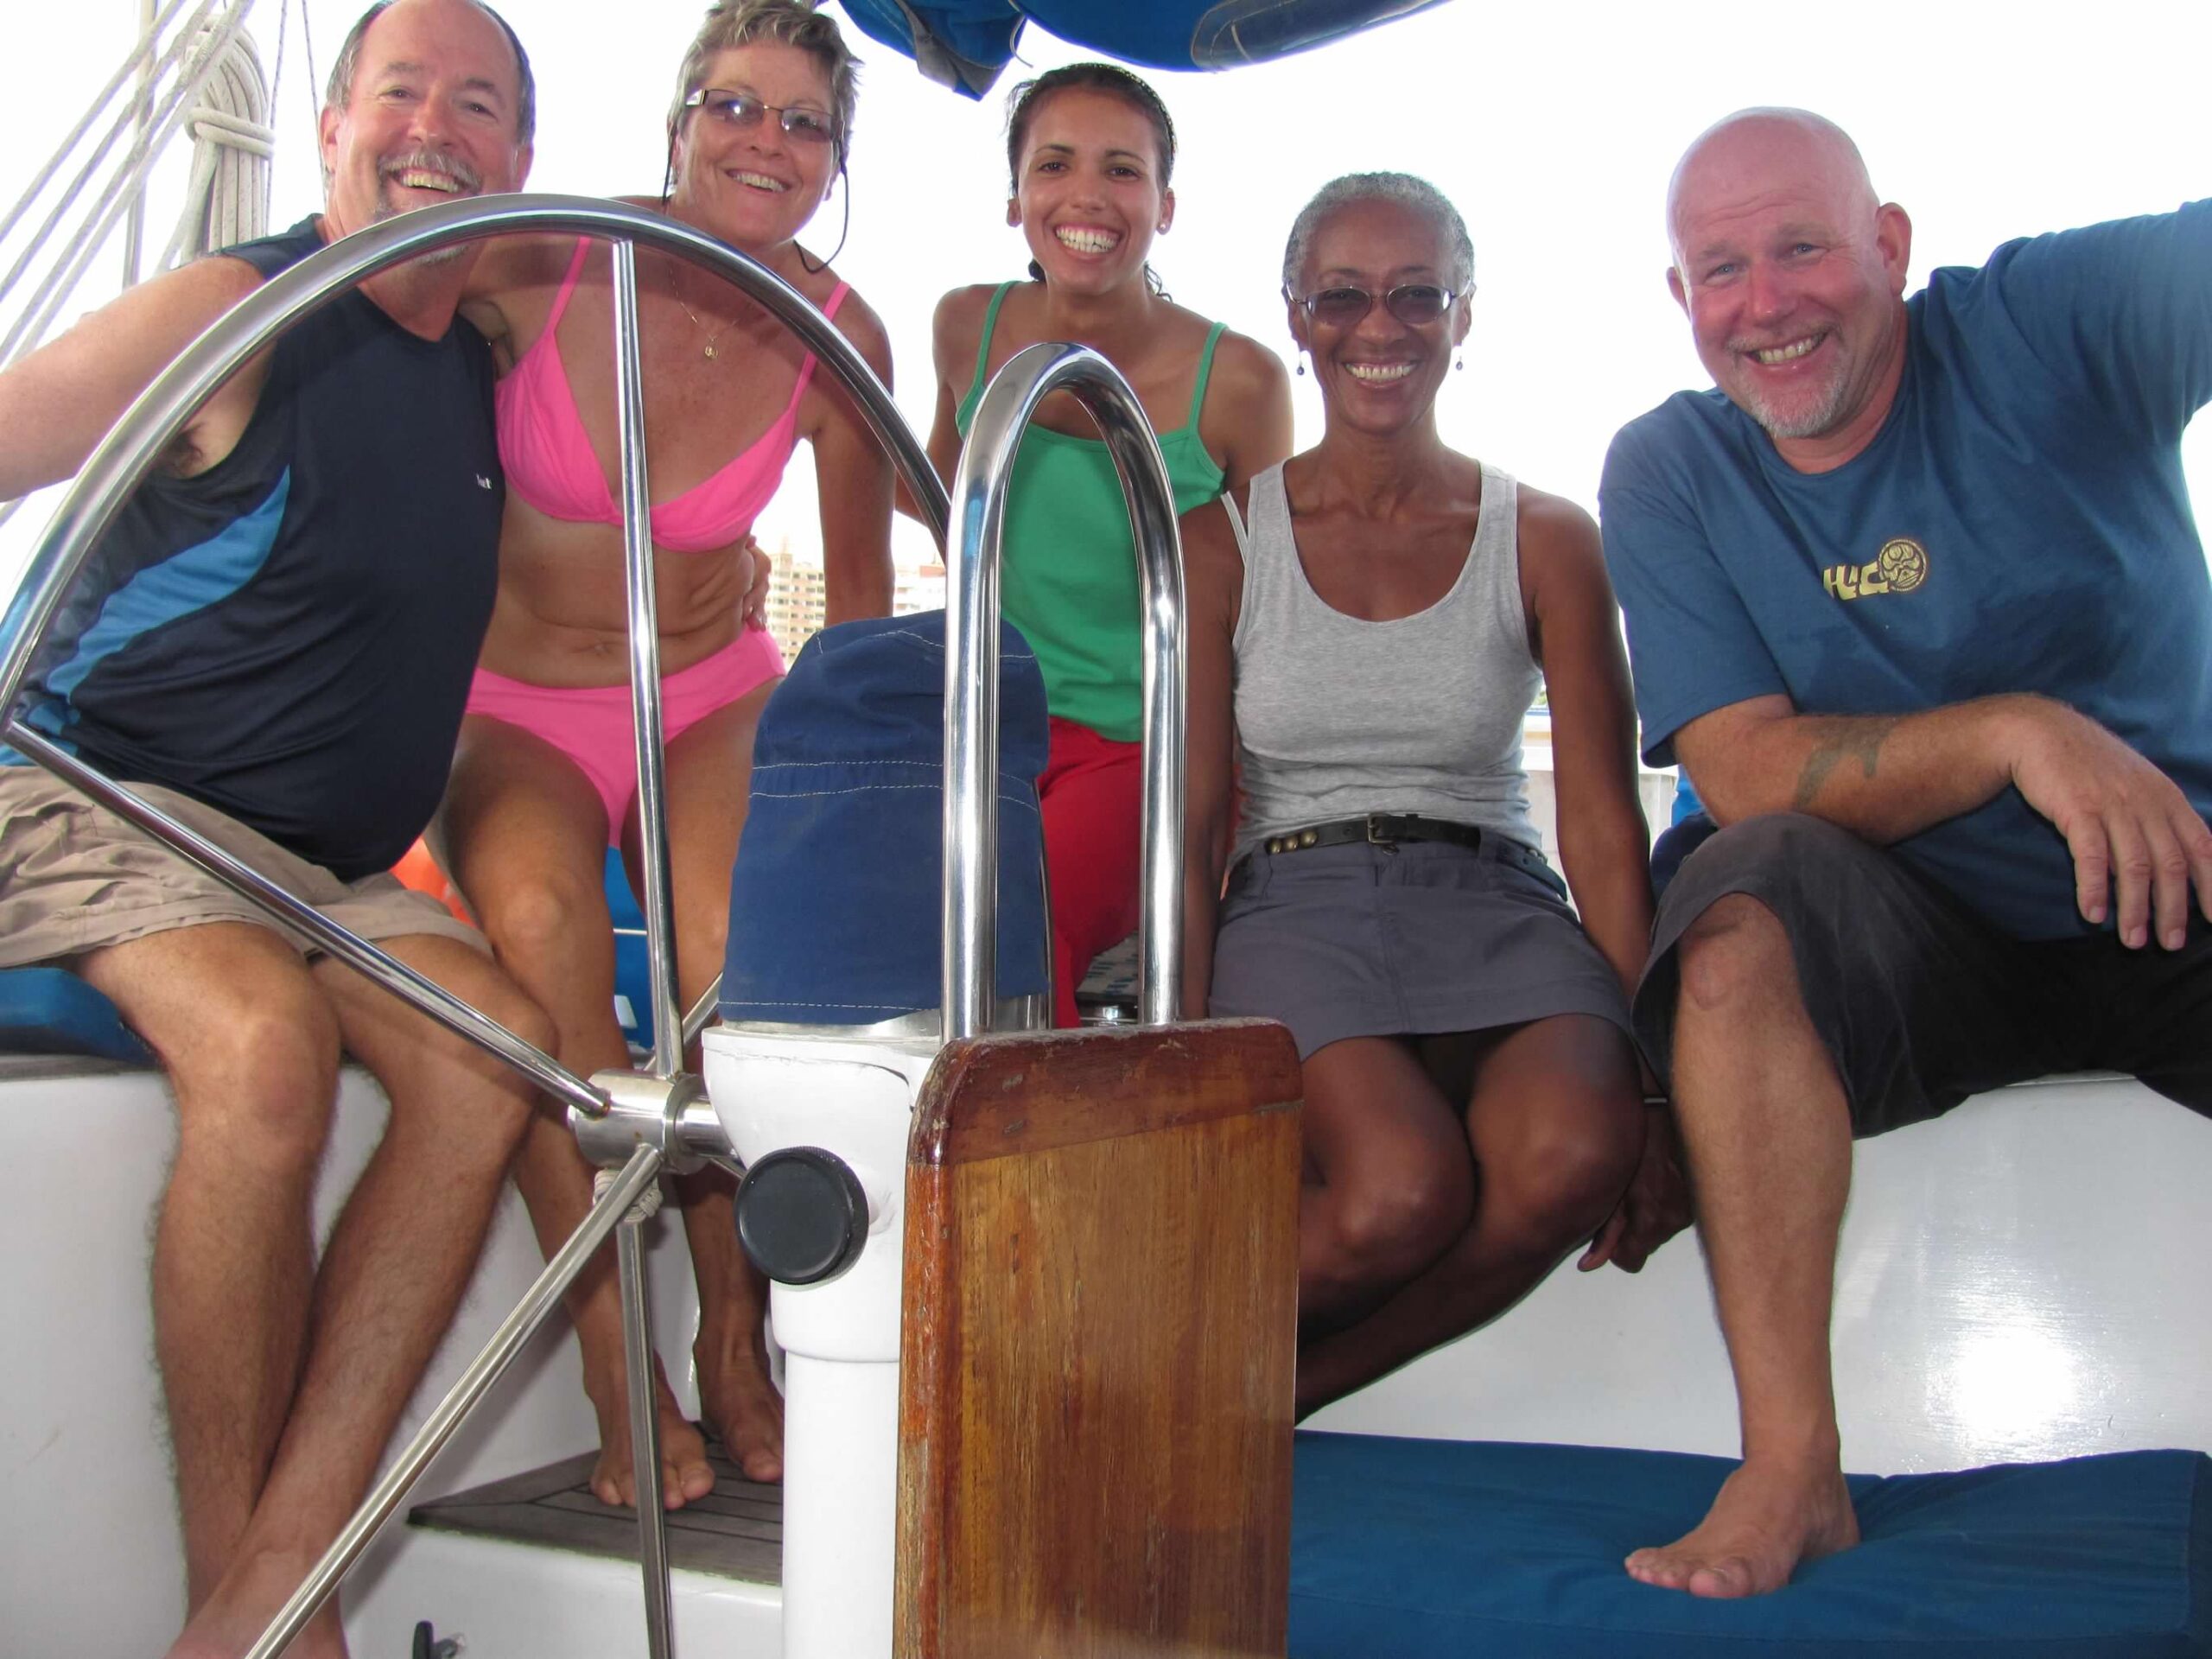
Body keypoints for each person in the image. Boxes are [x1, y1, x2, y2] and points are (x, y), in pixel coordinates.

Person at [1598, 108, 2212, 1599]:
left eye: (1803, 247)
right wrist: (2017, 732)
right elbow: (1744, 770)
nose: (1767, 303)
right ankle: (1793, 1473)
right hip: (1903, 945)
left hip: (2168, 881)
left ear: (1888, 247)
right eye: (1721, 269)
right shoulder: (1669, 471)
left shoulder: (2044, 327)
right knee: (1738, 921)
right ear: (1682, 304)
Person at [0, 3, 546, 1655]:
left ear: (521, 165)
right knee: (259, 1048)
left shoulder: (483, 353)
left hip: (309, 864)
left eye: (479, 106)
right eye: (399, 93)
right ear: (328, 127)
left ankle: (268, 1594)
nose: (433, 129)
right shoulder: (235, 312)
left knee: (494, 1055)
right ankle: (246, 1611)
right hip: (90, 788)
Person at [439, 0, 895, 1505]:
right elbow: (363, 348)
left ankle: (734, 1337)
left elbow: (861, 622)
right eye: (736, 107)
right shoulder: (541, 255)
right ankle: (611, 1363)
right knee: (549, 941)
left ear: (839, 156)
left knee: (722, 967)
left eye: (804, 122)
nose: (766, 144)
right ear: (682, 118)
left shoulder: (842, 334)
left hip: (711, 687)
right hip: (516, 704)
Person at [1181, 173, 1685, 1417]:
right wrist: (1183, 1060)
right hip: (1298, 901)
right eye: (1343, 297)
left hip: (1496, 898)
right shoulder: (1218, 543)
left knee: (1578, 1146)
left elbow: (1604, 830)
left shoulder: (1550, 536)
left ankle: (1268, 1404)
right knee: (1402, 1190)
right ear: (1296, 317)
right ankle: (1124, 1342)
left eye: (1418, 295)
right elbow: (1190, 824)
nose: (1381, 328)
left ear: (1465, 316)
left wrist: (1656, 1089)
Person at [923, 61, 1292, 1027]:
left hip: (1149, 748)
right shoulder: (969, 325)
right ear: (1016, 199)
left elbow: (1276, 614)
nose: (1087, 195)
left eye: (1122, 171)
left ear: (1166, 205)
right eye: (1055, 165)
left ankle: (1046, 1161)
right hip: (990, 727)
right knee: (872, 908)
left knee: (1009, 924)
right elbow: (932, 493)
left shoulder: (1238, 380)